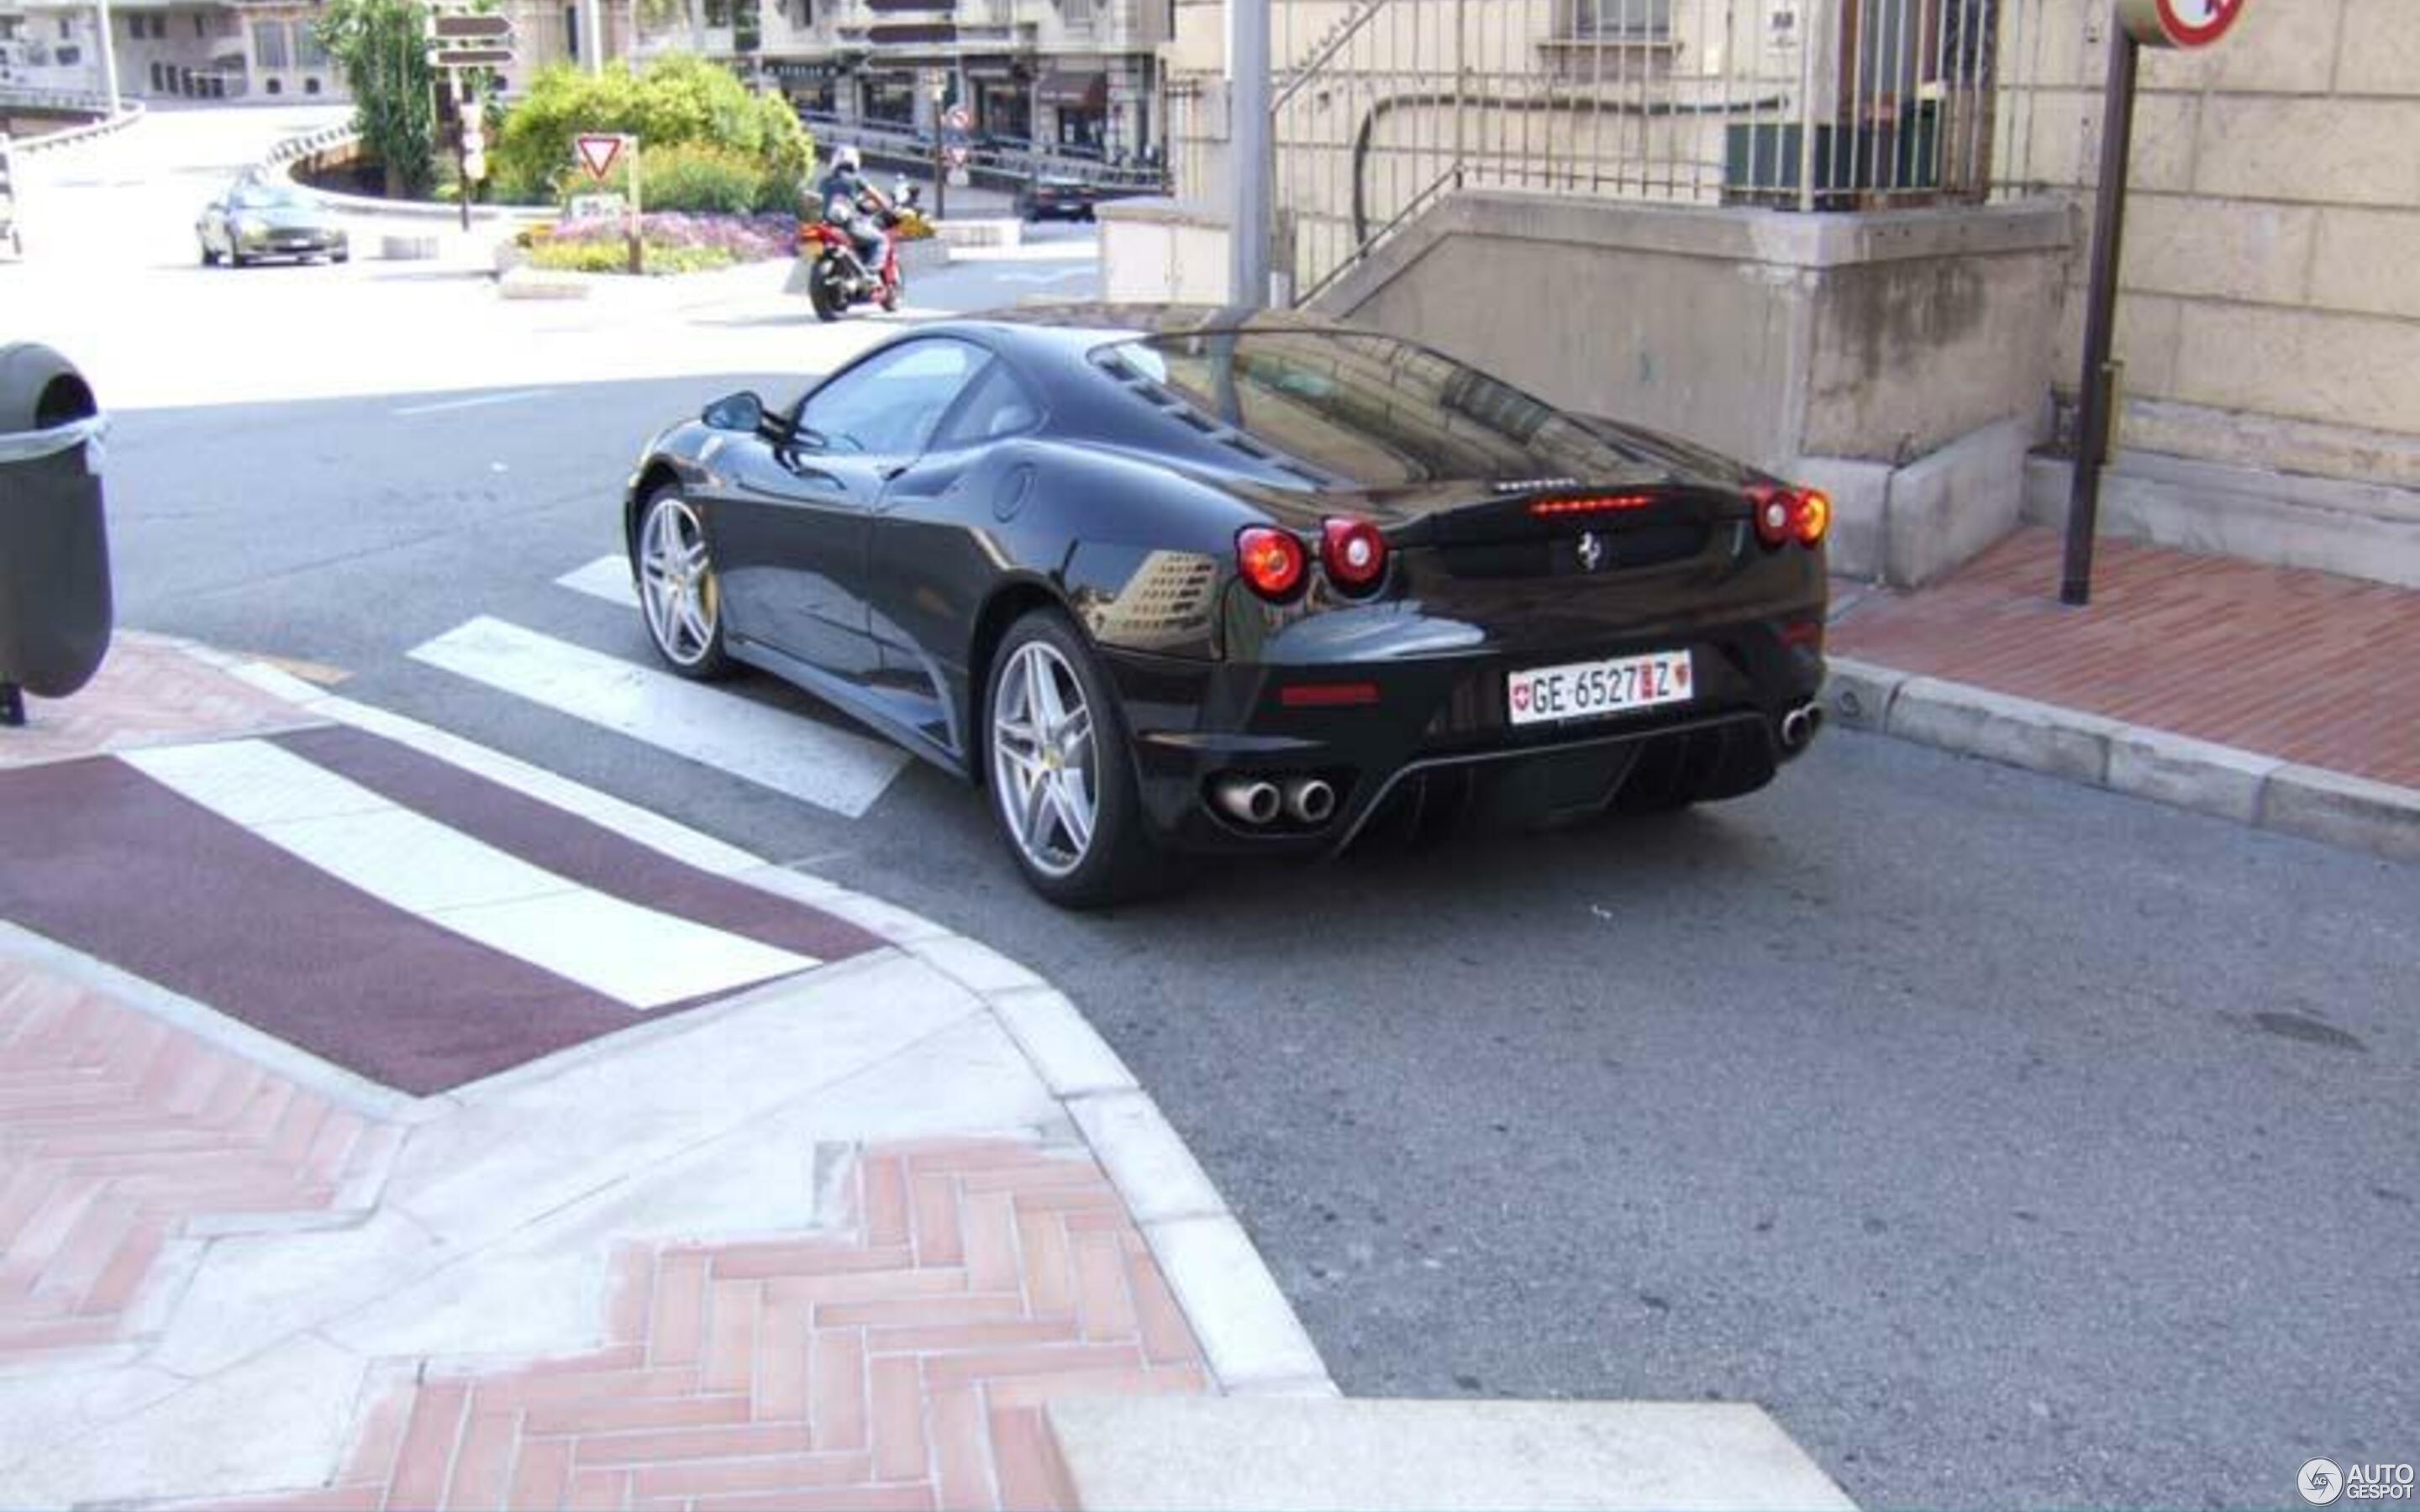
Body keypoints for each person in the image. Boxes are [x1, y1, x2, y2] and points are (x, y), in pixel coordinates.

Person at [817, 145, 889, 281]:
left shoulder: (824, 182)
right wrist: (888, 207)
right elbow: (877, 197)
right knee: (881, 240)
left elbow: (818, 201)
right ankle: (871, 273)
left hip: (826, 225)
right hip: (849, 225)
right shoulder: (856, 179)